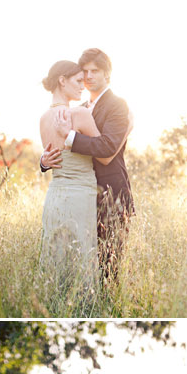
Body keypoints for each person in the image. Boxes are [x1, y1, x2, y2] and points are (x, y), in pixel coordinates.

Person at [41, 49, 134, 281]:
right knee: (78, 258)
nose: (89, 77)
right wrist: (43, 162)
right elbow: (57, 149)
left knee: (108, 266)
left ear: (107, 74)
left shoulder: (117, 104)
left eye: (95, 71)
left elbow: (107, 150)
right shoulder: (78, 108)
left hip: (110, 194)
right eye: (85, 72)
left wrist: (70, 137)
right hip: (81, 195)